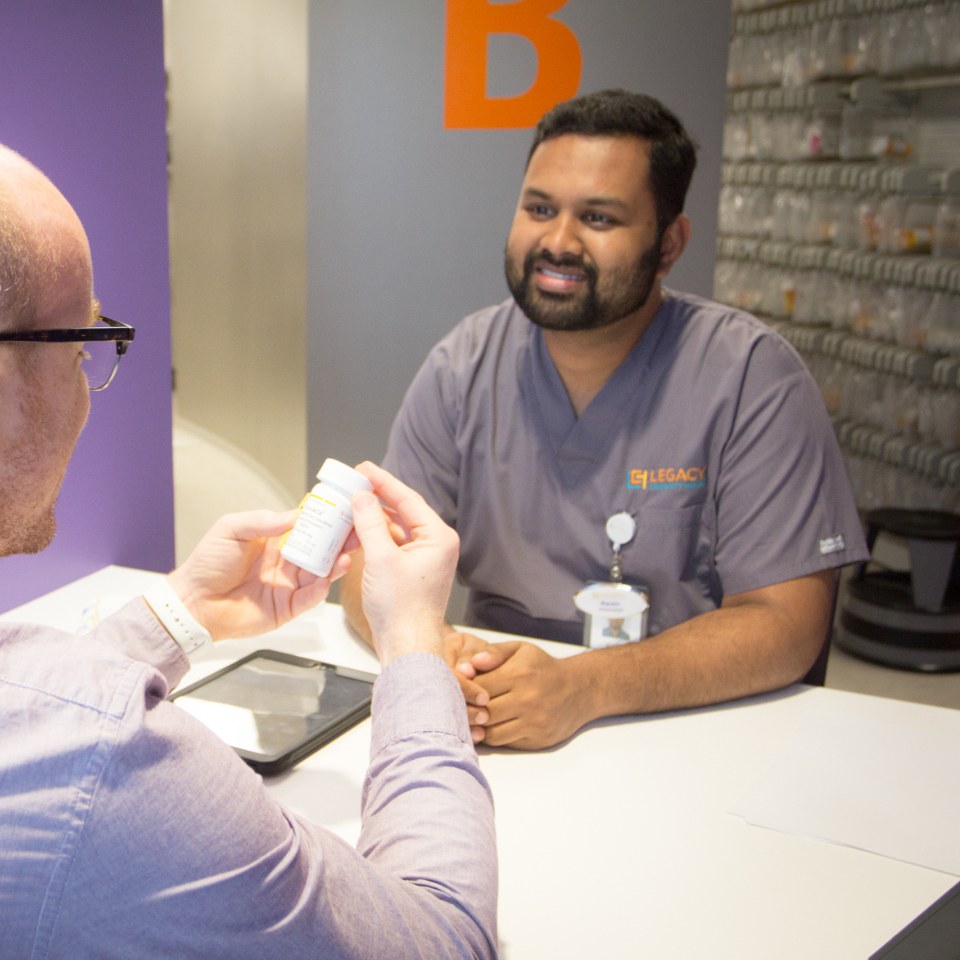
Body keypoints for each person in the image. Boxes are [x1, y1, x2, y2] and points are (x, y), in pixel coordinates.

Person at [0, 145, 496, 958]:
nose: (87, 394)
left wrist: (181, 613)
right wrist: (415, 644)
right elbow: (441, 939)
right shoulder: (105, 776)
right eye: (81, 348)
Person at [342, 89, 868, 750]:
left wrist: (584, 688)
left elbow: (786, 626)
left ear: (669, 243)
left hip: (686, 730)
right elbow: (372, 568)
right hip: (497, 727)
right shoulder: (463, 367)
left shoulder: (752, 378)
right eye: (539, 208)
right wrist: (433, 649)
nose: (558, 242)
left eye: (598, 217)